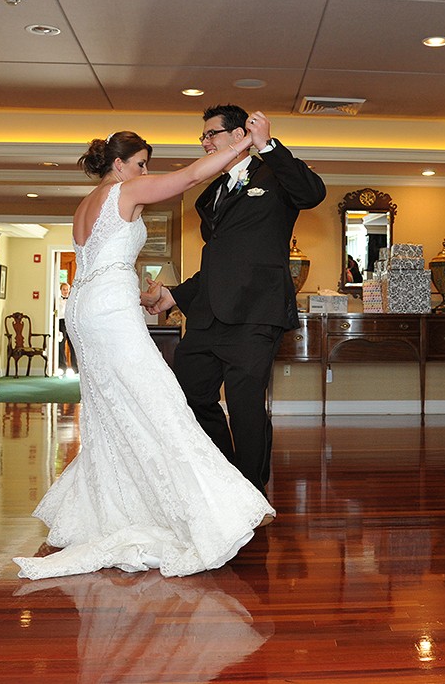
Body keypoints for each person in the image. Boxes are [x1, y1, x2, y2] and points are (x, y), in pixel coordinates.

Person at [14, 130, 274, 580]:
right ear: (119, 166)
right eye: (140, 164)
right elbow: (192, 175)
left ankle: (122, 503)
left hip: (83, 309)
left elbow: (104, 261)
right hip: (106, 311)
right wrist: (241, 145)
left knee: (114, 411)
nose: (144, 173)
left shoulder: (86, 204)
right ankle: (206, 511)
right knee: (159, 403)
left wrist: (147, 294)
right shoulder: (124, 190)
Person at [145, 106, 326, 494]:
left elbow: (312, 193)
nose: (205, 142)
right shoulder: (207, 197)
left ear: (239, 134)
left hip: (255, 314)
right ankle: (225, 474)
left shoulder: (275, 176)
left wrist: (269, 146)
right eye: (203, 137)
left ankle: (250, 493)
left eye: (212, 134)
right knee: (191, 396)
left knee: (245, 408)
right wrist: (174, 295)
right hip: (208, 317)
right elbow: (219, 262)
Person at [56, 281, 77, 376]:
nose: (66, 291)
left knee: (73, 345)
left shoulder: (72, 300)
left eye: (67, 289)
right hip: (61, 322)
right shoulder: (57, 301)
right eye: (64, 289)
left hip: (71, 322)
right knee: (61, 345)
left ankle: (75, 368)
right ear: (61, 290)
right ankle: (62, 367)